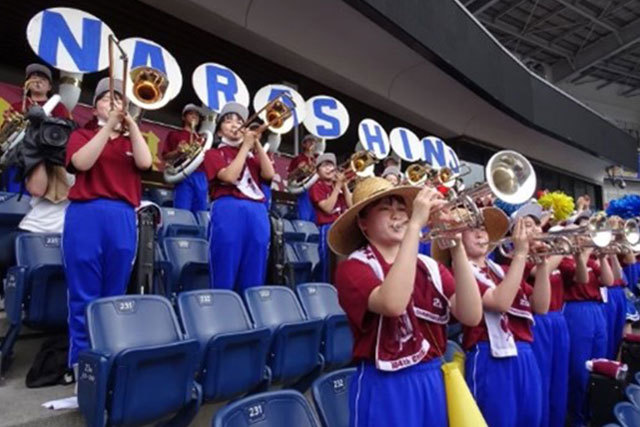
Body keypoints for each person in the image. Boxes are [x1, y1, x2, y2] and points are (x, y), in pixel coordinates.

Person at [329, 177, 483, 427]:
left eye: (402, 209)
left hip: (433, 377)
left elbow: (471, 315)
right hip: (385, 384)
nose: (397, 215)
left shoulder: (430, 266)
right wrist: (414, 227)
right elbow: (393, 303)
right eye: (385, 209)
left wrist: (457, 248)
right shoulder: (353, 267)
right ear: (363, 223)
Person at [63, 77, 152, 370]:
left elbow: (145, 163)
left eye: (118, 100)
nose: (112, 104)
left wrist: (132, 124)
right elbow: (81, 163)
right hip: (86, 213)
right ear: (94, 107)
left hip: (123, 215)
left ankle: (110, 358)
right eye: (105, 99)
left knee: (114, 293)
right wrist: (106, 128)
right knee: (83, 292)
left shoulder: (131, 140)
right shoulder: (82, 135)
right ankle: (80, 363)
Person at [433, 208, 551, 427]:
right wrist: (521, 254)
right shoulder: (456, 273)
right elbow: (500, 302)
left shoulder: (502, 270)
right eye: (472, 230)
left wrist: (542, 264)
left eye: (484, 229)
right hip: (490, 354)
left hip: (524, 353)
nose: (481, 235)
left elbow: (541, 306)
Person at [203, 102, 275, 292]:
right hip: (228, 208)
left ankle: (250, 311)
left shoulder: (253, 156)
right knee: (225, 262)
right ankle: (223, 307)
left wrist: (256, 143)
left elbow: (269, 174)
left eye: (239, 121)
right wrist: (245, 148)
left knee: (256, 263)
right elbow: (228, 177)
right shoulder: (213, 153)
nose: (235, 124)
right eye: (228, 121)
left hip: (257, 211)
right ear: (219, 132)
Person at [515, 202, 569, 427]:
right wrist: (560, 249)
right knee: (542, 381)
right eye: (527, 225)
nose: (535, 229)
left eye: (536, 225)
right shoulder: (514, 255)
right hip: (536, 323)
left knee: (559, 381)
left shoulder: (544, 251)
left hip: (557, 318)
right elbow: (538, 272)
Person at [559, 211, 613, 426]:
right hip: (576, 311)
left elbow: (608, 280)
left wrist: (601, 255)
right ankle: (577, 417)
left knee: (599, 363)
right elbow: (580, 278)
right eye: (580, 232)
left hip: (597, 310)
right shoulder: (564, 259)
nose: (585, 236)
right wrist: (582, 252)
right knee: (580, 370)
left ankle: (593, 412)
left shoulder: (592, 258)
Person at [2, 63, 71, 193]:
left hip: (43, 159)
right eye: (33, 78)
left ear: (49, 87)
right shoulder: (16, 106)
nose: (37, 81)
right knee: (11, 196)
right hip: (16, 156)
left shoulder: (59, 107)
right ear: (26, 83)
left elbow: (66, 132)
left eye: (43, 79)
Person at [309, 153, 353, 282]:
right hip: (327, 228)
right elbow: (327, 208)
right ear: (317, 171)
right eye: (324, 166)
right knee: (326, 265)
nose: (329, 169)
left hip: (341, 228)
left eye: (331, 165)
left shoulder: (337, 187)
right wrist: (338, 186)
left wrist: (344, 186)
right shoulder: (317, 186)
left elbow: (351, 206)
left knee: (342, 266)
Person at [162, 103, 208, 215]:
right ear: (183, 117)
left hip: (201, 175)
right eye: (190, 114)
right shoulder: (175, 134)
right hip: (184, 173)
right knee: (182, 211)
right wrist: (178, 152)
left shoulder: (202, 138)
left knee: (201, 212)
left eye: (197, 115)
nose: (194, 116)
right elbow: (165, 156)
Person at [287, 134, 318, 222]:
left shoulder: (317, 159)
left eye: (314, 142)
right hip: (304, 190)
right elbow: (289, 177)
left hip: (316, 190)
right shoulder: (298, 158)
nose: (312, 143)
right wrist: (298, 170)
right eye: (309, 141)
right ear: (304, 144)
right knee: (304, 217)